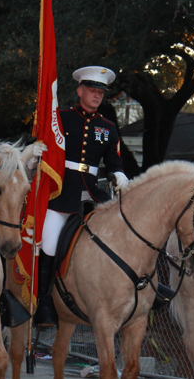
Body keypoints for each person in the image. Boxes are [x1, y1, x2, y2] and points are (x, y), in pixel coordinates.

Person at [32, 66, 129, 327]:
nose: (97, 96)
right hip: (62, 192)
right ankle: (43, 302)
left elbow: (113, 160)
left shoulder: (107, 127)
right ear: (79, 91)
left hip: (94, 196)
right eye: (92, 91)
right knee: (49, 242)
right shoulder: (60, 118)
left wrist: (119, 174)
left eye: (100, 92)